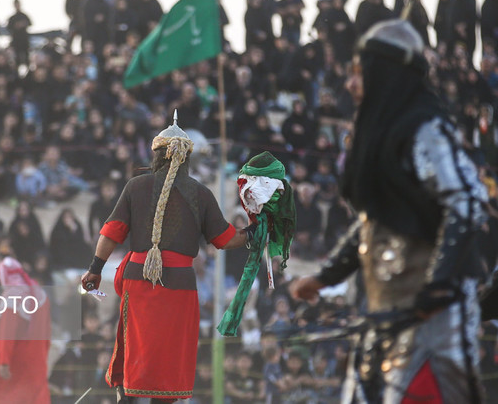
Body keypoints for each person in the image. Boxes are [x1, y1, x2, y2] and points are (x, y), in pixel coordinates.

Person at [290, 20, 489, 403]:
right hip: (384, 308)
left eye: (360, 74)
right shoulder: (380, 135)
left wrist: (438, 285)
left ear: (384, 74)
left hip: (436, 317)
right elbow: (373, 220)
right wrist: (325, 276)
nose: (350, 85)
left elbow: (466, 201)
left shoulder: (427, 128)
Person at [81, 116, 254, 403]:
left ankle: (127, 398)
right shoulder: (201, 193)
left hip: (138, 277)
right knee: (171, 353)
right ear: (186, 159)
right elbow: (225, 239)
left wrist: (94, 270)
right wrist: (254, 231)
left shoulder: (136, 186)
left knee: (136, 345)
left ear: (157, 155)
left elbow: (111, 233)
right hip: (181, 283)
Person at [0, 255, 50, 404]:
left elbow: (7, 334)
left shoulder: (12, 298)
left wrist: (4, 361)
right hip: (38, 358)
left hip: (17, 361)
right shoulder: (40, 294)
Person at [7, 0, 31, 67]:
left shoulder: (24, 16)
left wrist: (23, 24)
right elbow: (8, 27)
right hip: (16, 40)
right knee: (17, 58)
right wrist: (16, 26)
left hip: (24, 40)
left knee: (26, 58)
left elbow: (30, 23)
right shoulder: (12, 18)